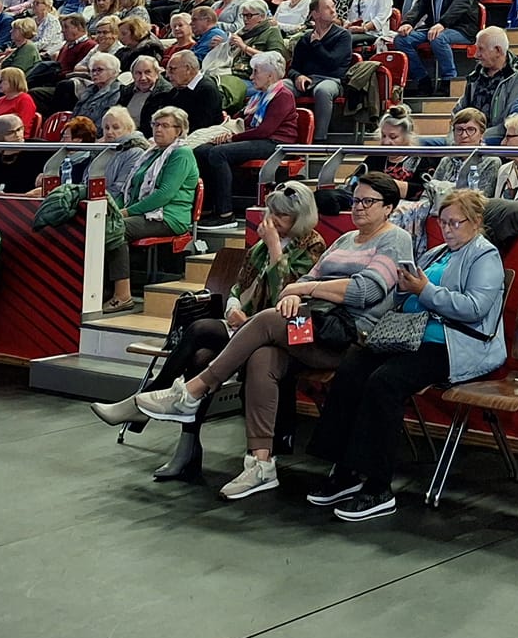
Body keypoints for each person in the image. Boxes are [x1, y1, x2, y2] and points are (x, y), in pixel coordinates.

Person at [135, 172, 414, 501]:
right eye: (355, 200)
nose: (358, 207)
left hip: (349, 335)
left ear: (389, 207)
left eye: (368, 202)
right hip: (314, 324)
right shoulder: (344, 240)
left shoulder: (395, 239)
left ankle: (194, 391)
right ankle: (261, 463)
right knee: (262, 356)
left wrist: (305, 289)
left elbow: (364, 291)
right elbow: (300, 282)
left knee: (268, 319)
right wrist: (298, 293)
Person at [89, 181, 326, 483]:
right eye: (272, 212)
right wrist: (232, 308)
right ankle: (185, 448)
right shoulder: (260, 245)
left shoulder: (313, 246)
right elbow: (239, 286)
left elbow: (288, 295)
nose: (273, 220)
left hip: (279, 335)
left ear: (301, 218)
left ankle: (143, 405)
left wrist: (275, 249)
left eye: (282, 215)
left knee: (201, 329)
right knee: (200, 357)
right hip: (242, 327)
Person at [302, 188, 506, 521]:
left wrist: (424, 290)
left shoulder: (485, 256)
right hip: (411, 335)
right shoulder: (436, 253)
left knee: (386, 382)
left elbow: (474, 309)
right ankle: (345, 470)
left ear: (476, 221)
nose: (448, 229)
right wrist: (403, 286)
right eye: (443, 222)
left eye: (455, 223)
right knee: (353, 367)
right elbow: (406, 298)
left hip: (455, 344)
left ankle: (378, 487)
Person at [100, 105, 198, 311]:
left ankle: (123, 294)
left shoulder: (182, 154)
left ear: (179, 130)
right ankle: (101, 289)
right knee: (99, 222)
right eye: (155, 124)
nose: (158, 129)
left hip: (168, 217)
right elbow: (131, 189)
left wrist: (126, 212)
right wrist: (113, 209)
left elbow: (164, 194)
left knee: (116, 228)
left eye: (165, 125)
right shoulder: (151, 153)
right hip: (144, 213)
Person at [195, 50, 299, 226]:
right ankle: (207, 208)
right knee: (202, 150)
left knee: (219, 153)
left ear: (270, 75)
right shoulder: (259, 97)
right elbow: (244, 121)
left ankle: (225, 214)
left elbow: (264, 131)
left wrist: (232, 138)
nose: (251, 77)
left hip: (275, 143)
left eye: (256, 72)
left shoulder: (283, 96)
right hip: (259, 139)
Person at [393, 0, 480, 95]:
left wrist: (443, 23)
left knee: (438, 38)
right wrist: (408, 22)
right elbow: (422, 3)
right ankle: (422, 80)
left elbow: (462, 2)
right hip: (435, 26)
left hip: (462, 28)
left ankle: (449, 81)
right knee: (401, 40)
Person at [289, 0, 355, 143]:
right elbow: (293, 68)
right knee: (282, 87)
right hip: (307, 80)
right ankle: (285, 134)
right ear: (315, 14)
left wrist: (317, 44)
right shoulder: (306, 38)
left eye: (333, 7)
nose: (333, 11)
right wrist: (298, 76)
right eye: (327, 8)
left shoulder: (343, 36)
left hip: (332, 80)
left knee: (323, 90)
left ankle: (319, 138)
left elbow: (333, 62)